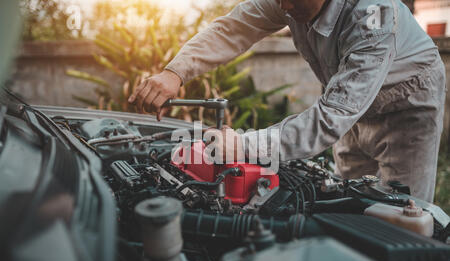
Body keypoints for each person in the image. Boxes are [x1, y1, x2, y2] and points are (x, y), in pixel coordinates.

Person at [128, 0, 446, 202]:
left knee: (402, 214)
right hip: (350, 105)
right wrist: (175, 72)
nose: (283, 5)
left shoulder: (375, 16)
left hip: (405, 107)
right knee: (349, 200)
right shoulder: (287, 0)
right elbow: (232, 28)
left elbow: (330, 117)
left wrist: (242, 147)